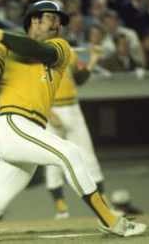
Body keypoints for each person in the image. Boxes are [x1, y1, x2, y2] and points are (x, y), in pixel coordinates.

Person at [0, 0, 147, 243]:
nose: (57, 24)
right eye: (52, 18)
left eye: (59, 21)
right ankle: (110, 220)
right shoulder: (5, 49)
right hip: (12, 125)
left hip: (30, 132)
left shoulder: (59, 47)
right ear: (34, 20)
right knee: (70, 153)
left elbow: (37, 51)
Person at [45, 44, 105, 219]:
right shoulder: (36, 53)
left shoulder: (68, 51)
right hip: (52, 109)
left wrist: (93, 59)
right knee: (53, 159)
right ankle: (60, 207)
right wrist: (48, 112)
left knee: (89, 156)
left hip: (73, 107)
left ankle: (103, 204)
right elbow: (33, 87)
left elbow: (79, 78)